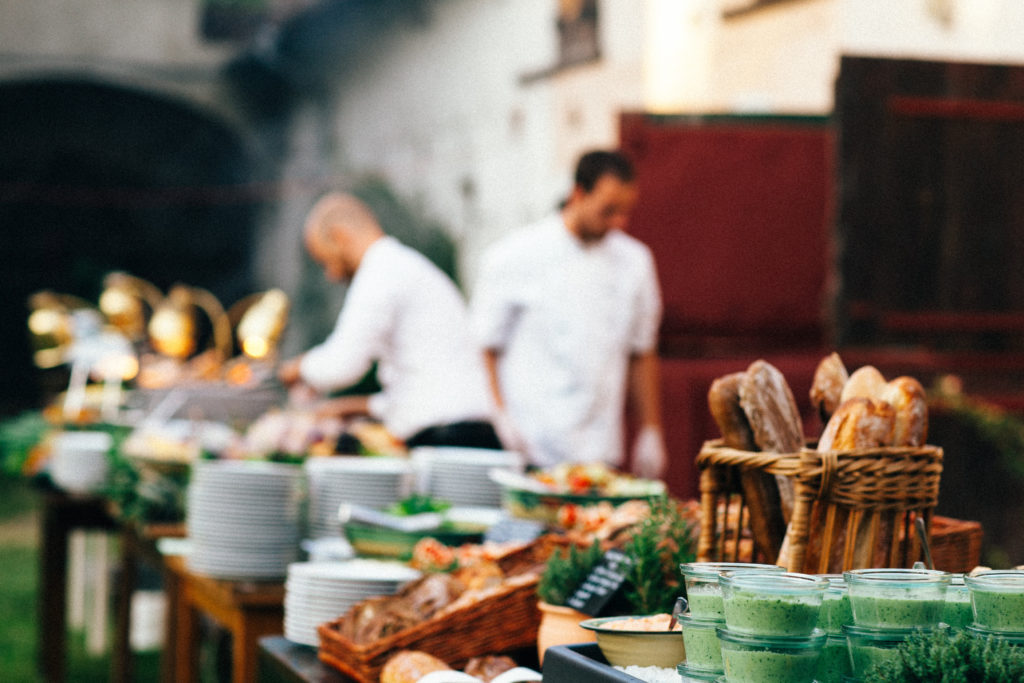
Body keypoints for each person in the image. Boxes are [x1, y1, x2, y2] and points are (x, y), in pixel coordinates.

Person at [470, 150, 667, 478]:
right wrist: (499, 416)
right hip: (533, 443)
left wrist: (651, 430)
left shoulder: (636, 262)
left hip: (600, 448)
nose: (619, 222)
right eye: (609, 211)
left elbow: (642, 350)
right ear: (578, 194)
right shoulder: (514, 255)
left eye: (625, 212)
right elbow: (484, 344)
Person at [278, 192, 502, 450]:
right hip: (461, 430)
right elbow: (422, 382)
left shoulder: (380, 272)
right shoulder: (400, 266)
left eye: (326, 261)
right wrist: (352, 407)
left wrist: (295, 369)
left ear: (340, 236)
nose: (331, 274)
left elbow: (343, 365)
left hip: (449, 437)